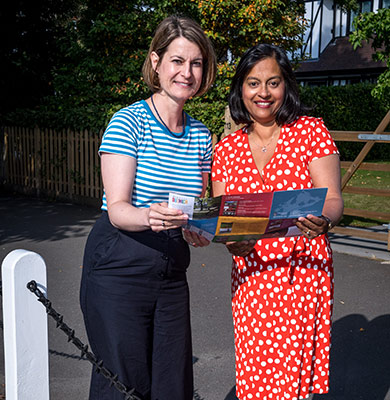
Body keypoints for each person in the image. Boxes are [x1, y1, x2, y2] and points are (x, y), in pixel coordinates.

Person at [80, 15, 216, 400]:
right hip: (120, 262)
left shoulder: (202, 134)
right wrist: (148, 215)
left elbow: (197, 209)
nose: (186, 72)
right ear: (156, 63)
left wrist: (198, 230)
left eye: (196, 63)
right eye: (177, 61)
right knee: (123, 384)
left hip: (172, 267)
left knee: (172, 383)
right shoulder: (129, 122)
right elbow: (117, 208)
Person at [211, 44, 344, 400]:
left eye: (273, 82)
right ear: (241, 87)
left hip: (301, 272)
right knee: (255, 381)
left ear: (285, 86)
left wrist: (324, 220)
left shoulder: (310, 132)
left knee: (290, 384)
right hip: (252, 280)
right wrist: (230, 243)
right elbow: (226, 221)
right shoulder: (225, 151)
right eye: (254, 83)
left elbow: (332, 199)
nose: (263, 93)